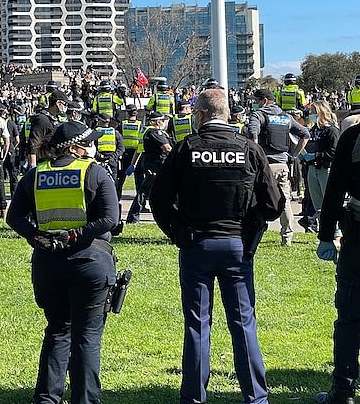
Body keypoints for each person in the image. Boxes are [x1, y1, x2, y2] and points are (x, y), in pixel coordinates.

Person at [150, 89, 283, 404]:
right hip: (237, 245)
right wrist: (251, 223)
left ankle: (194, 398)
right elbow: (273, 204)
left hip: (196, 245)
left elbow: (158, 199)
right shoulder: (249, 149)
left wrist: (177, 231)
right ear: (230, 115)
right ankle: (257, 398)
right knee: (243, 322)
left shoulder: (185, 149)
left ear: (199, 116)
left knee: (197, 324)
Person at [6, 120, 119, 404]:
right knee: (87, 337)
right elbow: (110, 219)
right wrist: (76, 234)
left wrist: (37, 236)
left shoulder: (35, 174)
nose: (92, 146)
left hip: (48, 263)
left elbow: (14, 217)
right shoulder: (94, 172)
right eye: (88, 141)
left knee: (58, 330)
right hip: (90, 260)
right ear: (75, 147)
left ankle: (47, 399)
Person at [314, 119, 360, 404]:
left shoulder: (354, 137)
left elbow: (335, 187)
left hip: (358, 237)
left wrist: (326, 234)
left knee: (350, 316)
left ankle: (343, 391)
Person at [246, 88, 310, 246]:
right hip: (282, 165)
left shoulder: (259, 115)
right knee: (285, 199)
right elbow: (305, 134)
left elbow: (253, 136)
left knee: (256, 199)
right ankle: (287, 237)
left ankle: (255, 233)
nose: (255, 104)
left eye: (256, 101)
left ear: (264, 101)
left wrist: (257, 159)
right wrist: (293, 155)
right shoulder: (286, 117)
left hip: (265, 166)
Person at [299, 101, 340, 234]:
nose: (310, 115)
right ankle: (324, 232)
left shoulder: (331, 130)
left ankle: (336, 231)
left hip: (325, 169)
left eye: (313, 112)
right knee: (318, 205)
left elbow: (334, 152)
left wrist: (316, 155)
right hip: (312, 169)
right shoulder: (313, 130)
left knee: (329, 203)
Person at [126, 112, 172, 223]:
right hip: (156, 164)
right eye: (163, 120)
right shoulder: (156, 132)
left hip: (148, 162)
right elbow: (167, 148)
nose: (164, 123)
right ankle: (133, 216)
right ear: (157, 121)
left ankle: (134, 216)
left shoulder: (144, 131)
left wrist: (133, 164)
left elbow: (139, 149)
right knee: (147, 190)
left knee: (147, 190)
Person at [27, 90, 69, 168]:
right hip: (43, 163)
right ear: (58, 103)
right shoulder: (42, 119)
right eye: (65, 104)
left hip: (54, 161)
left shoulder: (54, 119)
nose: (65, 107)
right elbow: (33, 144)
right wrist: (33, 166)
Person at [93, 113, 124, 200]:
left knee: (97, 182)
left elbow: (91, 147)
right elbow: (121, 149)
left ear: (99, 120)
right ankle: (115, 200)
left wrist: (100, 157)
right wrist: (113, 157)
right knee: (113, 182)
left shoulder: (94, 132)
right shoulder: (115, 133)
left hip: (99, 161)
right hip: (112, 161)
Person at [0, 104, 21, 198]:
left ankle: (1, 200)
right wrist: (13, 147)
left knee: (0, 178)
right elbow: (17, 140)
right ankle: (14, 197)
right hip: (10, 150)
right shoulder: (11, 123)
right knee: (13, 176)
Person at [119, 105, 142, 197]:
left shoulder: (122, 124)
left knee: (121, 178)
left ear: (127, 113)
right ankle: (140, 202)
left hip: (125, 153)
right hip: (136, 153)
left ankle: (117, 197)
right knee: (139, 178)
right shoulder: (140, 124)